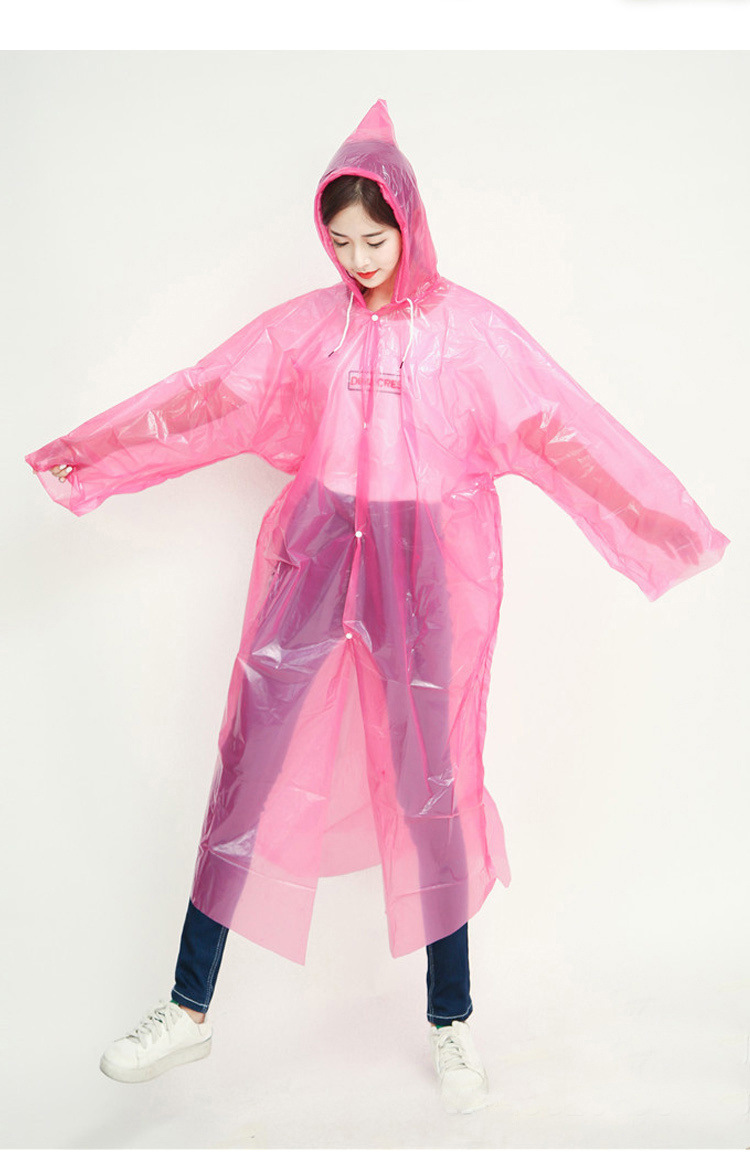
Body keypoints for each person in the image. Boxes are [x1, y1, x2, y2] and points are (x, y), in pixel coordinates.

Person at [29, 99, 728, 1116]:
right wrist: (90, 457)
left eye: (374, 237)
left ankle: (452, 1019)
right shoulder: (310, 331)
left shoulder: (472, 334)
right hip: (316, 552)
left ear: (410, 222)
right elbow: (206, 398)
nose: (358, 259)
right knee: (247, 769)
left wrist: (658, 523)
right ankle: (186, 1009)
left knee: (432, 784)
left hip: (420, 569)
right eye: (342, 240)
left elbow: (564, 430)